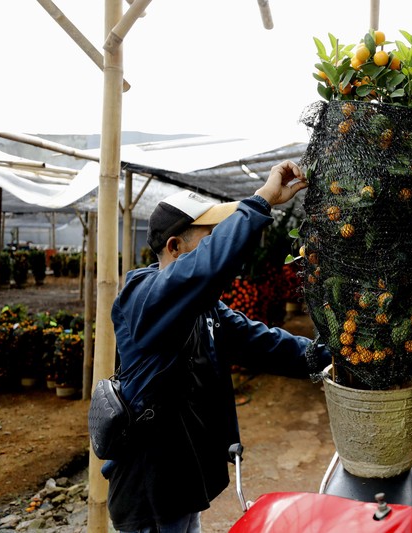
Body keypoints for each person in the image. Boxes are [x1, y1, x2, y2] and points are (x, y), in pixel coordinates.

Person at [104, 160, 329, 533]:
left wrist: (333, 356)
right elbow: (207, 269)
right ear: (175, 246)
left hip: (181, 485)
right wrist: (261, 201)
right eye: (210, 236)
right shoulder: (142, 299)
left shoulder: (202, 309)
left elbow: (262, 343)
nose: (219, 244)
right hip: (150, 497)